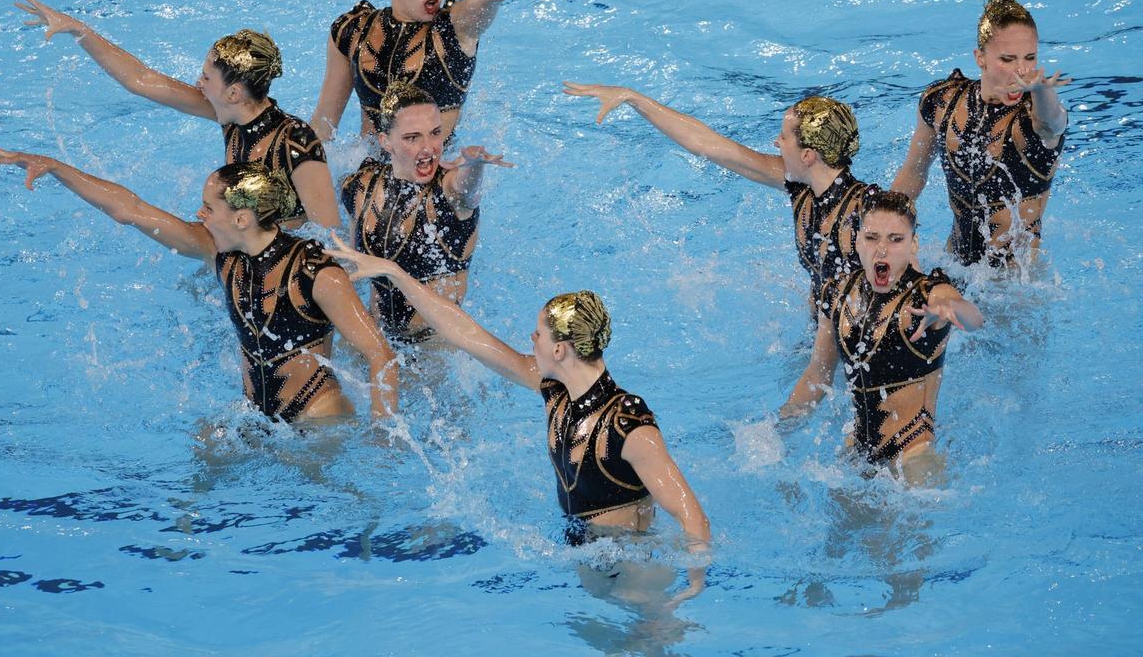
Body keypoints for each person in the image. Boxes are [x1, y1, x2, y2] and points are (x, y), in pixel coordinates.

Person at [325, 238, 711, 563]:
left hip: (630, 565)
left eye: (539, 335)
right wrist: (395, 273)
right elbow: (465, 333)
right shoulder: (556, 391)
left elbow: (691, 516)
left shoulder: (628, 425)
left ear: (560, 350)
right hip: (584, 553)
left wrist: (691, 585)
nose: (531, 340)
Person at [0, 142, 396, 422]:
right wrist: (56, 167)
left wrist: (384, 436)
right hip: (254, 417)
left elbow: (380, 354)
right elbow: (129, 209)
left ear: (241, 219)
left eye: (208, 206)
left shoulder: (316, 272)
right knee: (202, 462)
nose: (199, 214)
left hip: (318, 419)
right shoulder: (220, 253)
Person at [14, 0, 341, 228]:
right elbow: (140, 79)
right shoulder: (229, 115)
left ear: (234, 92)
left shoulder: (296, 143)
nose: (197, 83)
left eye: (206, 77)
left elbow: (328, 235)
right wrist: (77, 29)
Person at [564, 83, 879, 307]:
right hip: (826, 327)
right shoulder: (803, 188)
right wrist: (633, 98)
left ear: (809, 155)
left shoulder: (868, 210)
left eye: (783, 137)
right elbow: (707, 144)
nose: (776, 143)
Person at [779, 192, 984, 482]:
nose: (882, 250)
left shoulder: (928, 295)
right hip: (856, 454)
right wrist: (780, 428)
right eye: (872, 237)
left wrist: (952, 308)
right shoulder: (837, 294)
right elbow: (819, 373)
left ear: (913, 244)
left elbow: (975, 319)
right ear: (858, 241)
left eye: (896, 239)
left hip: (913, 460)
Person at [311, 0, 574, 143]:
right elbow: (324, 125)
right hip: (368, 177)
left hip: (432, 182)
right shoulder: (354, 32)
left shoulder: (455, 31)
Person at [891, 0, 1071, 267]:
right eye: (1008, 59)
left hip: (1013, 286)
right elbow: (913, 174)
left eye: (1030, 57)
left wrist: (1042, 90)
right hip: (954, 265)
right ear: (980, 58)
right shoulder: (942, 101)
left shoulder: (1031, 119)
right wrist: (878, 229)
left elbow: (1053, 124)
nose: (1021, 71)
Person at [339, 82, 511, 343]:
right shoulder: (361, 187)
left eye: (435, 133)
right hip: (378, 336)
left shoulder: (448, 192)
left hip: (437, 351)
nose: (429, 147)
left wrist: (475, 166)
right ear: (386, 141)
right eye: (412, 137)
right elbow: (354, 263)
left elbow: (467, 192)